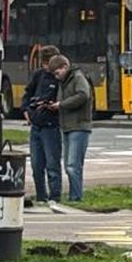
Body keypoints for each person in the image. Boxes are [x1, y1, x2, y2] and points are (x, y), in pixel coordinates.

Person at [49, 54, 92, 203]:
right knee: (70, 164)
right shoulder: (66, 81)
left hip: (79, 125)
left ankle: (76, 197)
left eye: (57, 72)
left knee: (73, 165)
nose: (56, 76)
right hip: (68, 126)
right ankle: (74, 196)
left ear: (65, 67)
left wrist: (61, 104)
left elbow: (83, 95)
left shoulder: (77, 78)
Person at [23, 44, 62, 205]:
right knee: (36, 164)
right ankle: (41, 195)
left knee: (52, 163)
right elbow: (28, 94)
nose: (46, 67)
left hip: (51, 124)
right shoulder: (38, 75)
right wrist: (26, 110)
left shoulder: (59, 78)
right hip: (36, 124)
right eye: (44, 63)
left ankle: (55, 196)